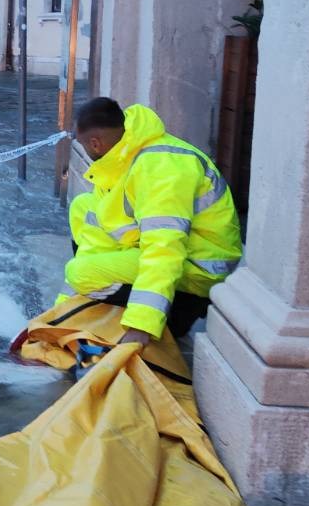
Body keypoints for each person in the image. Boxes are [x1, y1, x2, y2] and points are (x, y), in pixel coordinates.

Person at [60, 97, 243, 345]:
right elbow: (97, 238)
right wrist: (60, 312)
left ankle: (164, 316)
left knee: (79, 272)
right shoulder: (127, 153)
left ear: (95, 143)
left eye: (82, 145)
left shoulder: (159, 168)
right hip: (181, 251)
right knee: (83, 206)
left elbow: (164, 249)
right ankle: (93, 305)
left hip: (197, 271)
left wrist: (141, 326)